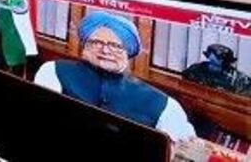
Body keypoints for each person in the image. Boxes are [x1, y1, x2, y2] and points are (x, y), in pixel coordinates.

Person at [34, 11, 196, 142]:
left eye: (116, 46)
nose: (105, 51)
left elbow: (182, 149)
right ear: (84, 46)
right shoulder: (54, 71)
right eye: (97, 42)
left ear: (129, 52)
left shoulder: (165, 105)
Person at [182, 44, 251, 96]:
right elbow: (184, 84)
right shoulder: (195, 69)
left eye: (224, 60)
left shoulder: (239, 79)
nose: (221, 61)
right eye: (218, 57)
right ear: (208, 56)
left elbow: (245, 99)